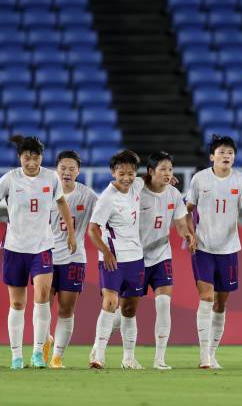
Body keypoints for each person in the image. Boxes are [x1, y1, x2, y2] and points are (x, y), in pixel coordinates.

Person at [0, 136, 76, 369]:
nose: (32, 163)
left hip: (42, 247)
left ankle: (37, 352)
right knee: (17, 304)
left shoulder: (50, 177)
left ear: (41, 158)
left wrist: (71, 233)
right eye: (27, 158)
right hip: (15, 248)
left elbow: (62, 203)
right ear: (20, 158)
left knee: (43, 297)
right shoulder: (10, 179)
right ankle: (16, 356)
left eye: (36, 158)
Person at [186, 135, 242, 369]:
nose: (226, 156)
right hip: (203, 247)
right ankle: (203, 356)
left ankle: (212, 352)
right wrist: (191, 234)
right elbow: (187, 210)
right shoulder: (199, 179)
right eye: (221, 152)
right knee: (206, 298)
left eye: (230, 152)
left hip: (229, 249)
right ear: (212, 157)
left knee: (220, 303)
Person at [87, 150, 146, 370]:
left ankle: (128, 358)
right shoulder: (107, 198)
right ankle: (98, 355)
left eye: (131, 173)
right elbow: (93, 229)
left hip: (136, 258)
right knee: (110, 304)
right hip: (112, 260)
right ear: (113, 172)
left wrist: (167, 177)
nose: (127, 178)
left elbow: (149, 178)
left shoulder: (137, 185)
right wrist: (107, 252)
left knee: (130, 310)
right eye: (122, 173)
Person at [139, 151, 196, 369]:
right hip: (135, 257)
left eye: (170, 169)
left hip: (162, 255)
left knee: (163, 305)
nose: (167, 173)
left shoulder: (173, 194)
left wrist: (188, 235)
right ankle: (100, 345)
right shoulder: (137, 190)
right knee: (123, 311)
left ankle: (159, 359)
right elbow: (122, 180)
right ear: (150, 172)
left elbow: (181, 223)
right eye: (162, 169)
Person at [44, 151, 98, 368]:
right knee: (42, 307)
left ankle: (57, 356)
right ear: (56, 169)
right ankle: (42, 343)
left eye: (71, 168)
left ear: (78, 171)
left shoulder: (88, 196)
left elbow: (106, 214)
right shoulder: (45, 191)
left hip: (74, 258)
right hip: (46, 256)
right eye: (63, 168)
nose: (66, 172)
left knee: (66, 310)